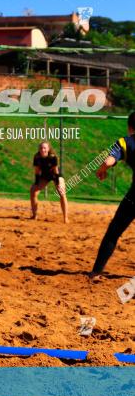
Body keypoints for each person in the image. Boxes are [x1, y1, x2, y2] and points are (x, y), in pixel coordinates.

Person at [89, 111, 135, 279]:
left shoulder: (125, 142)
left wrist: (102, 170)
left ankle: (96, 272)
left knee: (113, 233)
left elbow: (109, 160)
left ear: (130, 127)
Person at [30, 140, 68, 223]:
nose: (42, 150)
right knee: (33, 190)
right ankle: (34, 215)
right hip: (45, 176)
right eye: (41, 148)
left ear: (48, 149)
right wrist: (36, 184)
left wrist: (59, 184)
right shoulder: (37, 157)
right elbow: (37, 171)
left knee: (62, 192)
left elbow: (56, 171)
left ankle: (65, 218)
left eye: (44, 148)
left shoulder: (52, 157)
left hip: (55, 175)